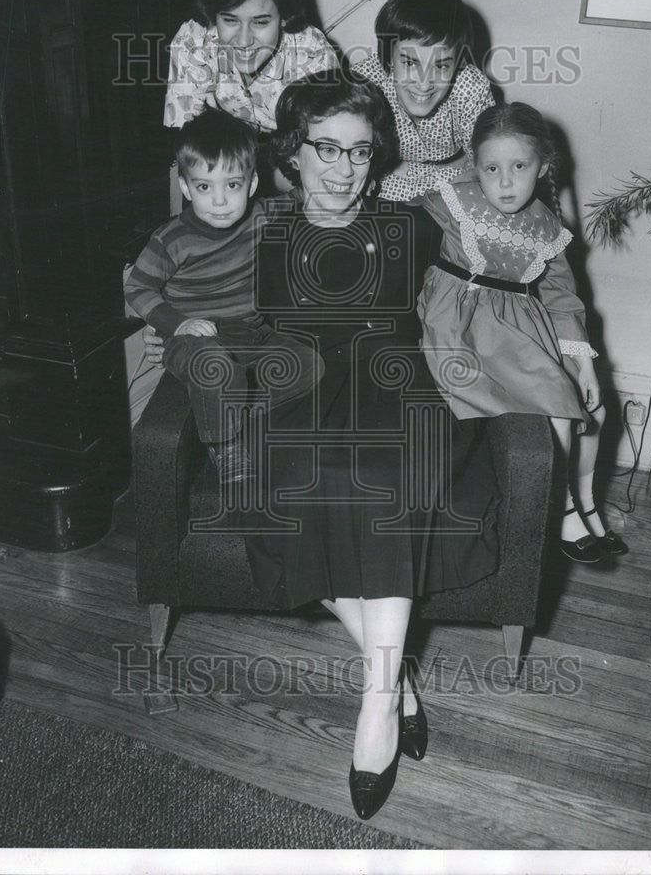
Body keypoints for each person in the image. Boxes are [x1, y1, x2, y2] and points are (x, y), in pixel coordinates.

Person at [143, 70, 498, 819]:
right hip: (293, 387)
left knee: (384, 473)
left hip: (395, 389)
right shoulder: (254, 226)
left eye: (360, 153)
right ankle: (397, 681)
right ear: (291, 152)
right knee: (294, 475)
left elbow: (495, 282)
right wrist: (187, 333)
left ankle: (375, 706)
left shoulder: (411, 227)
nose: (342, 169)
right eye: (325, 149)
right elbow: (176, 289)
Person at [415, 102, 627, 563]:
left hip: (519, 327)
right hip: (461, 324)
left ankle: (586, 506)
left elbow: (562, 298)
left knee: (595, 412)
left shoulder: (549, 229)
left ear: (543, 166)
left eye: (519, 167)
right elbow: (395, 207)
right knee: (558, 405)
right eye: (491, 168)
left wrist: (584, 363)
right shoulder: (453, 200)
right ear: (475, 165)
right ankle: (564, 510)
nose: (505, 181)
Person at [124, 109, 322, 483]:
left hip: (250, 334)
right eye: (203, 187)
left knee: (310, 365)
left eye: (231, 185)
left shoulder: (260, 216)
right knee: (216, 368)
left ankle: (230, 414)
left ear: (250, 185)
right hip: (193, 341)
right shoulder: (171, 239)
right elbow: (137, 287)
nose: (219, 201)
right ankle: (224, 443)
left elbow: (300, 197)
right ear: (185, 188)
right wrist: (177, 323)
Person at [163, 0, 339, 202]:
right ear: (213, 14)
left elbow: (321, 156)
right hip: (222, 156)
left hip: (290, 162)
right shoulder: (193, 41)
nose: (244, 41)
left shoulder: (312, 55)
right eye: (230, 20)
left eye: (260, 22)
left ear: (284, 17)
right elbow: (187, 153)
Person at [350, 0, 494, 203]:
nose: (424, 83)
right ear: (388, 56)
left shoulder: (471, 89)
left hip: (458, 180)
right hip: (387, 180)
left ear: (458, 64)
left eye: (441, 66)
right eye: (410, 62)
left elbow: (489, 162)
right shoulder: (365, 83)